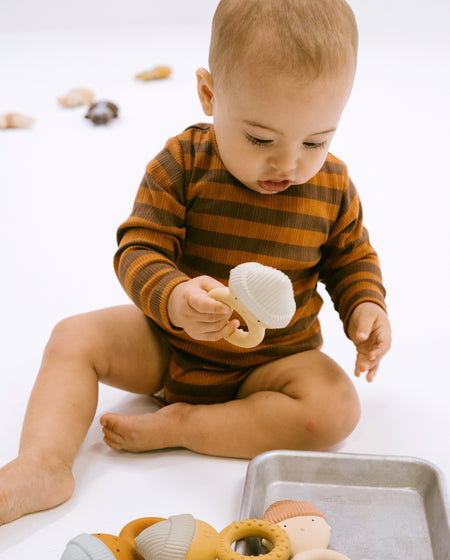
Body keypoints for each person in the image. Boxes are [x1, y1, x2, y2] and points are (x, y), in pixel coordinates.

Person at [0, 0, 391, 526]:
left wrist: (365, 305)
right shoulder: (183, 163)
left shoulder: (333, 186)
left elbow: (351, 256)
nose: (288, 162)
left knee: (336, 408)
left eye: (316, 140)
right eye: (260, 138)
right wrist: (174, 298)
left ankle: (186, 426)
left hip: (272, 366)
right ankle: (43, 464)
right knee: (73, 337)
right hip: (169, 344)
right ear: (209, 94)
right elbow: (139, 247)